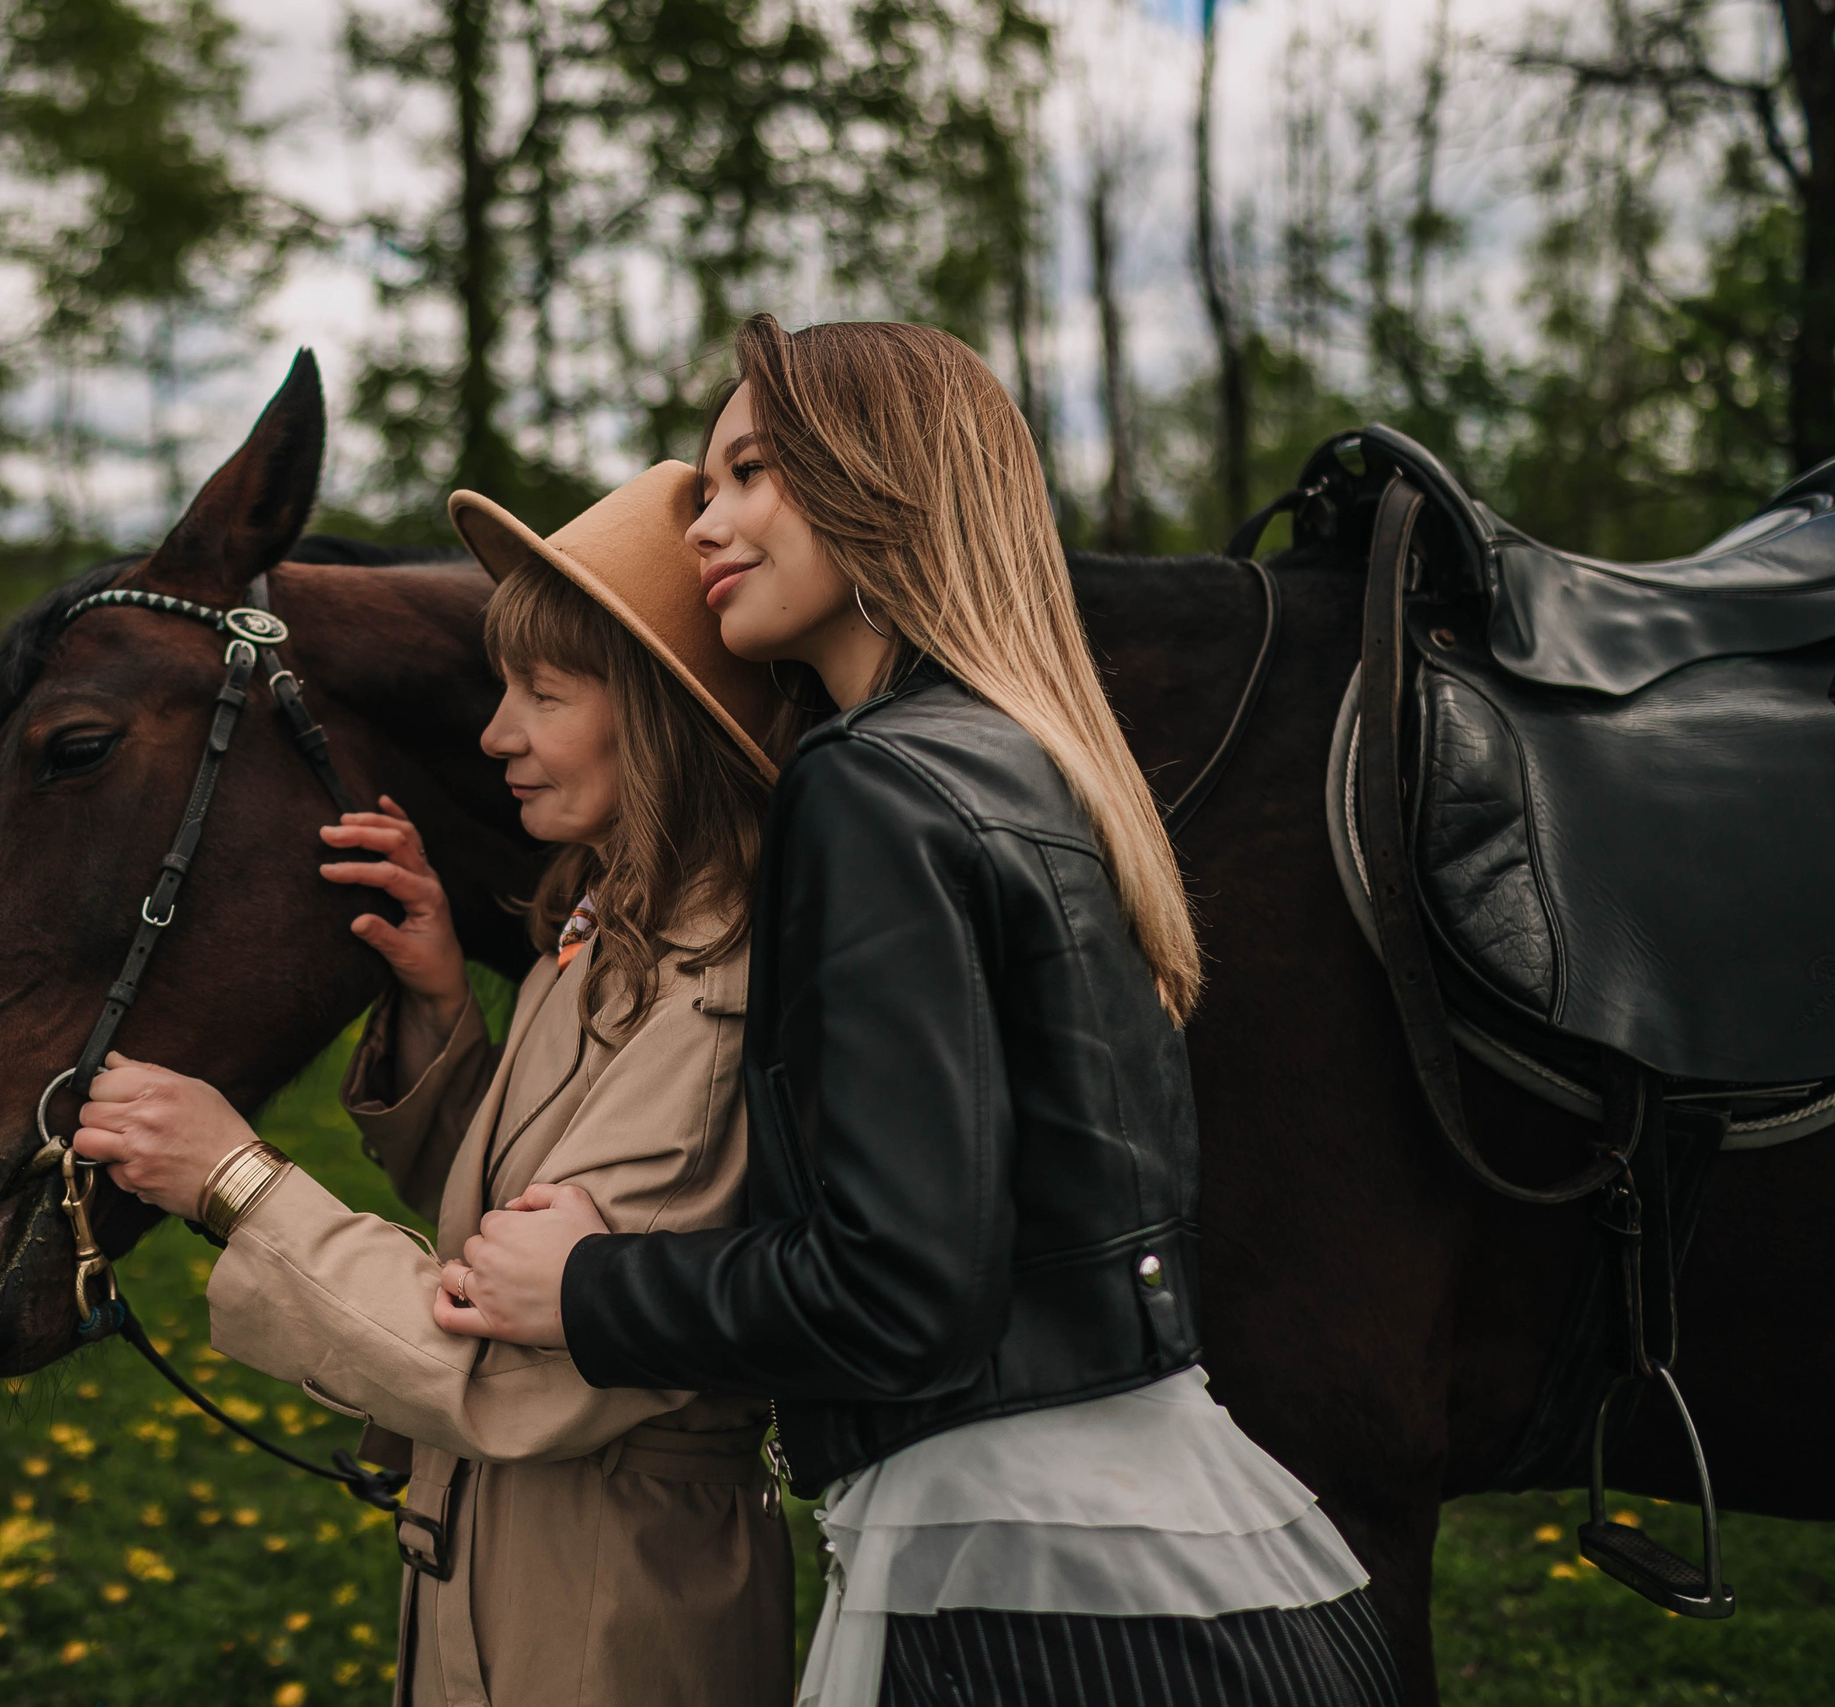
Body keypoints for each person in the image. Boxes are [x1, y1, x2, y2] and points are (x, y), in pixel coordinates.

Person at [435, 318, 1404, 1707]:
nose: (706, 520)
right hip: (1189, 1550)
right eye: (708, 486)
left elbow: (901, 1294)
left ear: (884, 479)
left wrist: (586, 1289)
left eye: (751, 470)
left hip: (1022, 1590)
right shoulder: (1030, 757)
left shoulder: (869, 786)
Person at [69, 462, 796, 1707]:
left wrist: (235, 1181)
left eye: (543, 694)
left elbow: (515, 1377)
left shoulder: (716, 992)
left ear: (660, 720)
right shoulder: (613, 925)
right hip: (520, 1561)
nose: (494, 733)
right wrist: (440, 1000)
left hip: (614, 1611)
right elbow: (514, 1218)